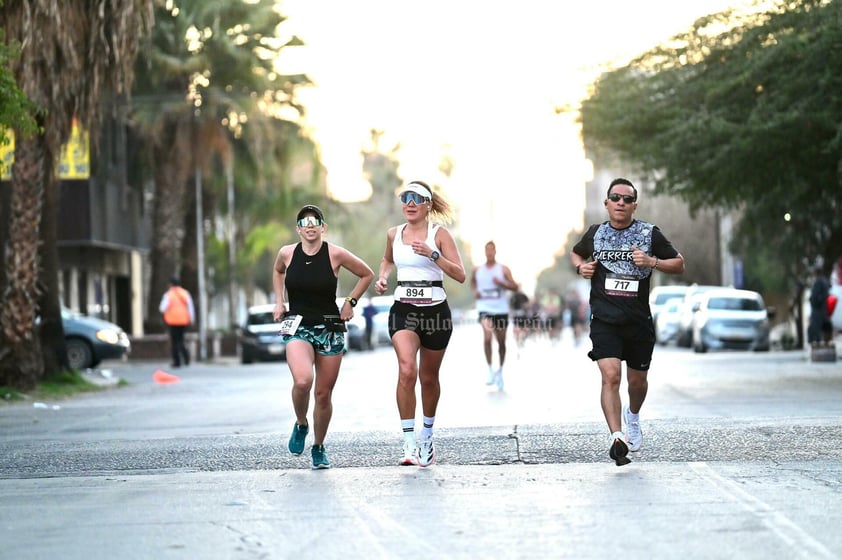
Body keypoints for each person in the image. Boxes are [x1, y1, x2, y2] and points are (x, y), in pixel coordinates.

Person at [570, 178, 685, 466]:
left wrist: (652, 262)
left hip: (638, 321)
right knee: (610, 376)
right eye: (615, 197)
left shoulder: (649, 233)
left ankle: (632, 415)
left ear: (634, 205)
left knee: (637, 383)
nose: (621, 202)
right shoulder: (595, 234)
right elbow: (576, 253)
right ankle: (617, 437)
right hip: (605, 320)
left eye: (627, 198)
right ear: (606, 203)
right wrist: (580, 267)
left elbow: (679, 263)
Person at [272, 204, 374, 469]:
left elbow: (367, 274)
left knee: (323, 395)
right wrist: (278, 302)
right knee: (303, 380)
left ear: (322, 227)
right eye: (304, 222)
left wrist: (350, 302)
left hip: (330, 327)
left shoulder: (335, 254)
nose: (309, 226)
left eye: (314, 221)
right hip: (298, 327)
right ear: (298, 229)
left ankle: (318, 446)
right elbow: (278, 271)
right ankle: (301, 423)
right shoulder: (287, 253)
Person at [373, 180, 466, 467]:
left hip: (435, 311)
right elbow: (387, 260)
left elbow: (460, 275)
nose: (410, 203)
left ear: (428, 205)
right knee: (406, 369)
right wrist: (384, 277)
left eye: (417, 198)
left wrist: (432, 254)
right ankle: (409, 442)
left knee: (428, 377)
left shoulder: (440, 234)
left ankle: (427, 434)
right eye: (405, 197)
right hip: (404, 309)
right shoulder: (394, 234)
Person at [471, 240, 519, 390]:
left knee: (501, 343)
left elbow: (515, 287)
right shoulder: (477, 270)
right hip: (484, 308)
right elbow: (473, 283)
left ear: (495, 251)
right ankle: (490, 370)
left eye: (492, 250)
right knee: (487, 337)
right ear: (485, 252)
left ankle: (500, 372)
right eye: (487, 250)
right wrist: (476, 292)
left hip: (501, 310)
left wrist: (502, 283)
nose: (489, 252)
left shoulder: (503, 269)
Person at [159, 277, 195, 368]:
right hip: (183, 321)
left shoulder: (168, 295)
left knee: (175, 342)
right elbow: (190, 308)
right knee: (181, 340)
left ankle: (177, 361)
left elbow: (162, 308)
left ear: (171, 284)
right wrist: (192, 319)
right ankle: (186, 358)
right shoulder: (185, 293)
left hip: (172, 321)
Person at [807, 263, 833, 346]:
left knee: (816, 328)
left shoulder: (819, 282)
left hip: (818, 309)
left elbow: (818, 296)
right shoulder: (825, 281)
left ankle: (818, 344)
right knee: (820, 327)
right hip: (823, 309)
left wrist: (813, 300)